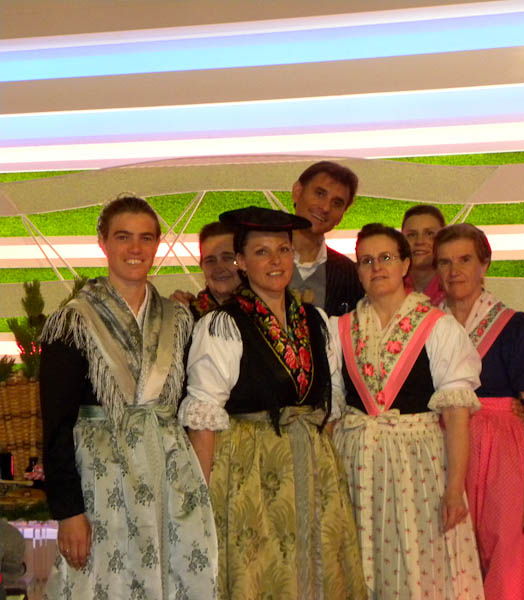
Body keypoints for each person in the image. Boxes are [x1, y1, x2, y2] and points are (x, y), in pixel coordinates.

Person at [179, 206, 366, 600]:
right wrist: (202, 500)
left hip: (313, 467)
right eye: (261, 252)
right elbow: (203, 418)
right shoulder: (222, 325)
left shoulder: (316, 321)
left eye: (283, 250)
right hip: (251, 471)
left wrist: (320, 461)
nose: (276, 261)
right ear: (242, 262)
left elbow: (330, 405)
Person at [39, 195, 217, 600]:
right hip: (101, 484)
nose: (135, 248)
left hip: (169, 478)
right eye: (123, 237)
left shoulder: (179, 320)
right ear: (103, 242)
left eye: (146, 238)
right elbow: (56, 427)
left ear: (157, 244)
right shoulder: (73, 321)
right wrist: (69, 512)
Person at [330, 223, 485, 599]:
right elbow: (333, 412)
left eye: (385, 257)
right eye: (366, 260)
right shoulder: (339, 329)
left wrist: (454, 489)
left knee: (418, 567)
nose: (376, 267)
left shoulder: (438, 327)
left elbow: (457, 415)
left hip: (416, 468)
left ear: (404, 265)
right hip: (356, 465)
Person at [435, 223, 524, 600]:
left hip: (502, 454)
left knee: (508, 558)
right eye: (445, 262)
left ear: (484, 264)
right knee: (449, 558)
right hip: (442, 447)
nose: (455, 271)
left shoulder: (516, 327)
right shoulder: (426, 325)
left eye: (465, 260)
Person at [290, 161, 364, 316]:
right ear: (297, 191)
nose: (325, 208)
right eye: (320, 194)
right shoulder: (260, 258)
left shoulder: (351, 275)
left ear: (342, 215)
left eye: (337, 203)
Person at [171, 220, 241, 320]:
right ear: (201, 265)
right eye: (210, 260)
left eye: (227, 258)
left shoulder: (260, 312)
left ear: (243, 261)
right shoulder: (187, 315)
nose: (219, 268)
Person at [400, 204, 447, 305]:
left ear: (444, 239)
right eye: (411, 235)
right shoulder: (392, 286)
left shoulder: (454, 285)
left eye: (430, 233)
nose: (420, 241)